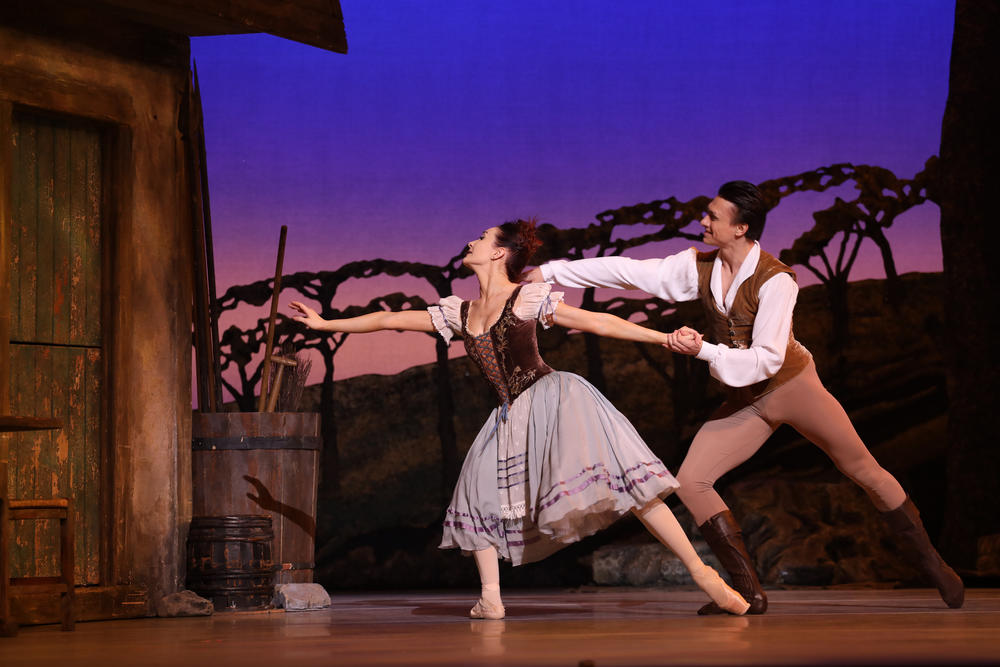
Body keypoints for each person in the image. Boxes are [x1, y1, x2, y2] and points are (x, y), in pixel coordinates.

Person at [529, 181, 964, 613]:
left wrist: (703, 349)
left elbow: (768, 360)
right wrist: (551, 272)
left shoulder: (777, 281)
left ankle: (933, 563)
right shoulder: (699, 266)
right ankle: (747, 593)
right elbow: (627, 272)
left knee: (864, 470)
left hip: (792, 387)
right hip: (747, 400)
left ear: (741, 228)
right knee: (693, 480)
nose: (703, 221)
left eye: (713, 216)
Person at [290, 219, 749, 620]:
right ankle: (491, 598)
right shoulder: (460, 311)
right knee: (475, 490)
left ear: (499, 252)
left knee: (628, 485)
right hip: (509, 414)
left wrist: (663, 337)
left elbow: (596, 321)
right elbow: (391, 319)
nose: (471, 242)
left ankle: (703, 573)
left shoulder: (528, 298)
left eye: (480, 237)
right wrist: (327, 325)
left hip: (554, 400)